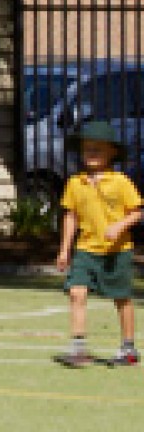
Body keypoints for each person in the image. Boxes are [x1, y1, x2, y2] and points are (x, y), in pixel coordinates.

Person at [56, 118, 142, 368]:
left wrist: (119, 226)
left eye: (98, 148)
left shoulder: (121, 182)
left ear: (112, 152)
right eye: (87, 149)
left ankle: (128, 348)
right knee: (76, 292)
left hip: (117, 252)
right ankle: (78, 347)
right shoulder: (75, 183)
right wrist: (64, 250)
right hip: (85, 250)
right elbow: (70, 216)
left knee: (121, 298)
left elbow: (137, 212)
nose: (91, 153)